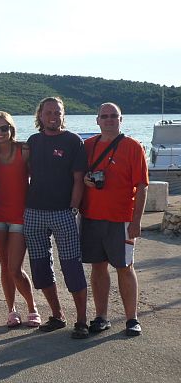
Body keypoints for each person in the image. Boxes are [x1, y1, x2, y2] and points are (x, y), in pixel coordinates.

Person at [24, 96, 89, 339]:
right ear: (40, 116)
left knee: (72, 266)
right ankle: (57, 315)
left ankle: (81, 320)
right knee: (40, 267)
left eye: (57, 112)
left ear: (63, 115)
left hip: (63, 213)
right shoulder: (33, 141)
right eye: (48, 112)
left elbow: (78, 179)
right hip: (34, 212)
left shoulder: (73, 141)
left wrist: (73, 209)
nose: (53, 116)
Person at [81, 103, 148, 337]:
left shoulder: (133, 146)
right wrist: (86, 180)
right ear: (97, 120)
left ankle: (132, 319)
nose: (109, 120)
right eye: (104, 116)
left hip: (121, 219)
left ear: (121, 119)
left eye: (113, 116)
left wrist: (136, 221)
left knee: (125, 267)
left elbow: (142, 186)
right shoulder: (88, 146)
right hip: (91, 217)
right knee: (98, 267)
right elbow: (78, 176)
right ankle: (101, 317)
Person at [0, 111, 41, 328]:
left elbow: (40, 175)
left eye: (4, 128)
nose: (0, 132)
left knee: (14, 267)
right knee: (4, 265)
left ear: (11, 129)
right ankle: (12, 310)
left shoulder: (24, 149)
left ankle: (32, 308)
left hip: (20, 214)